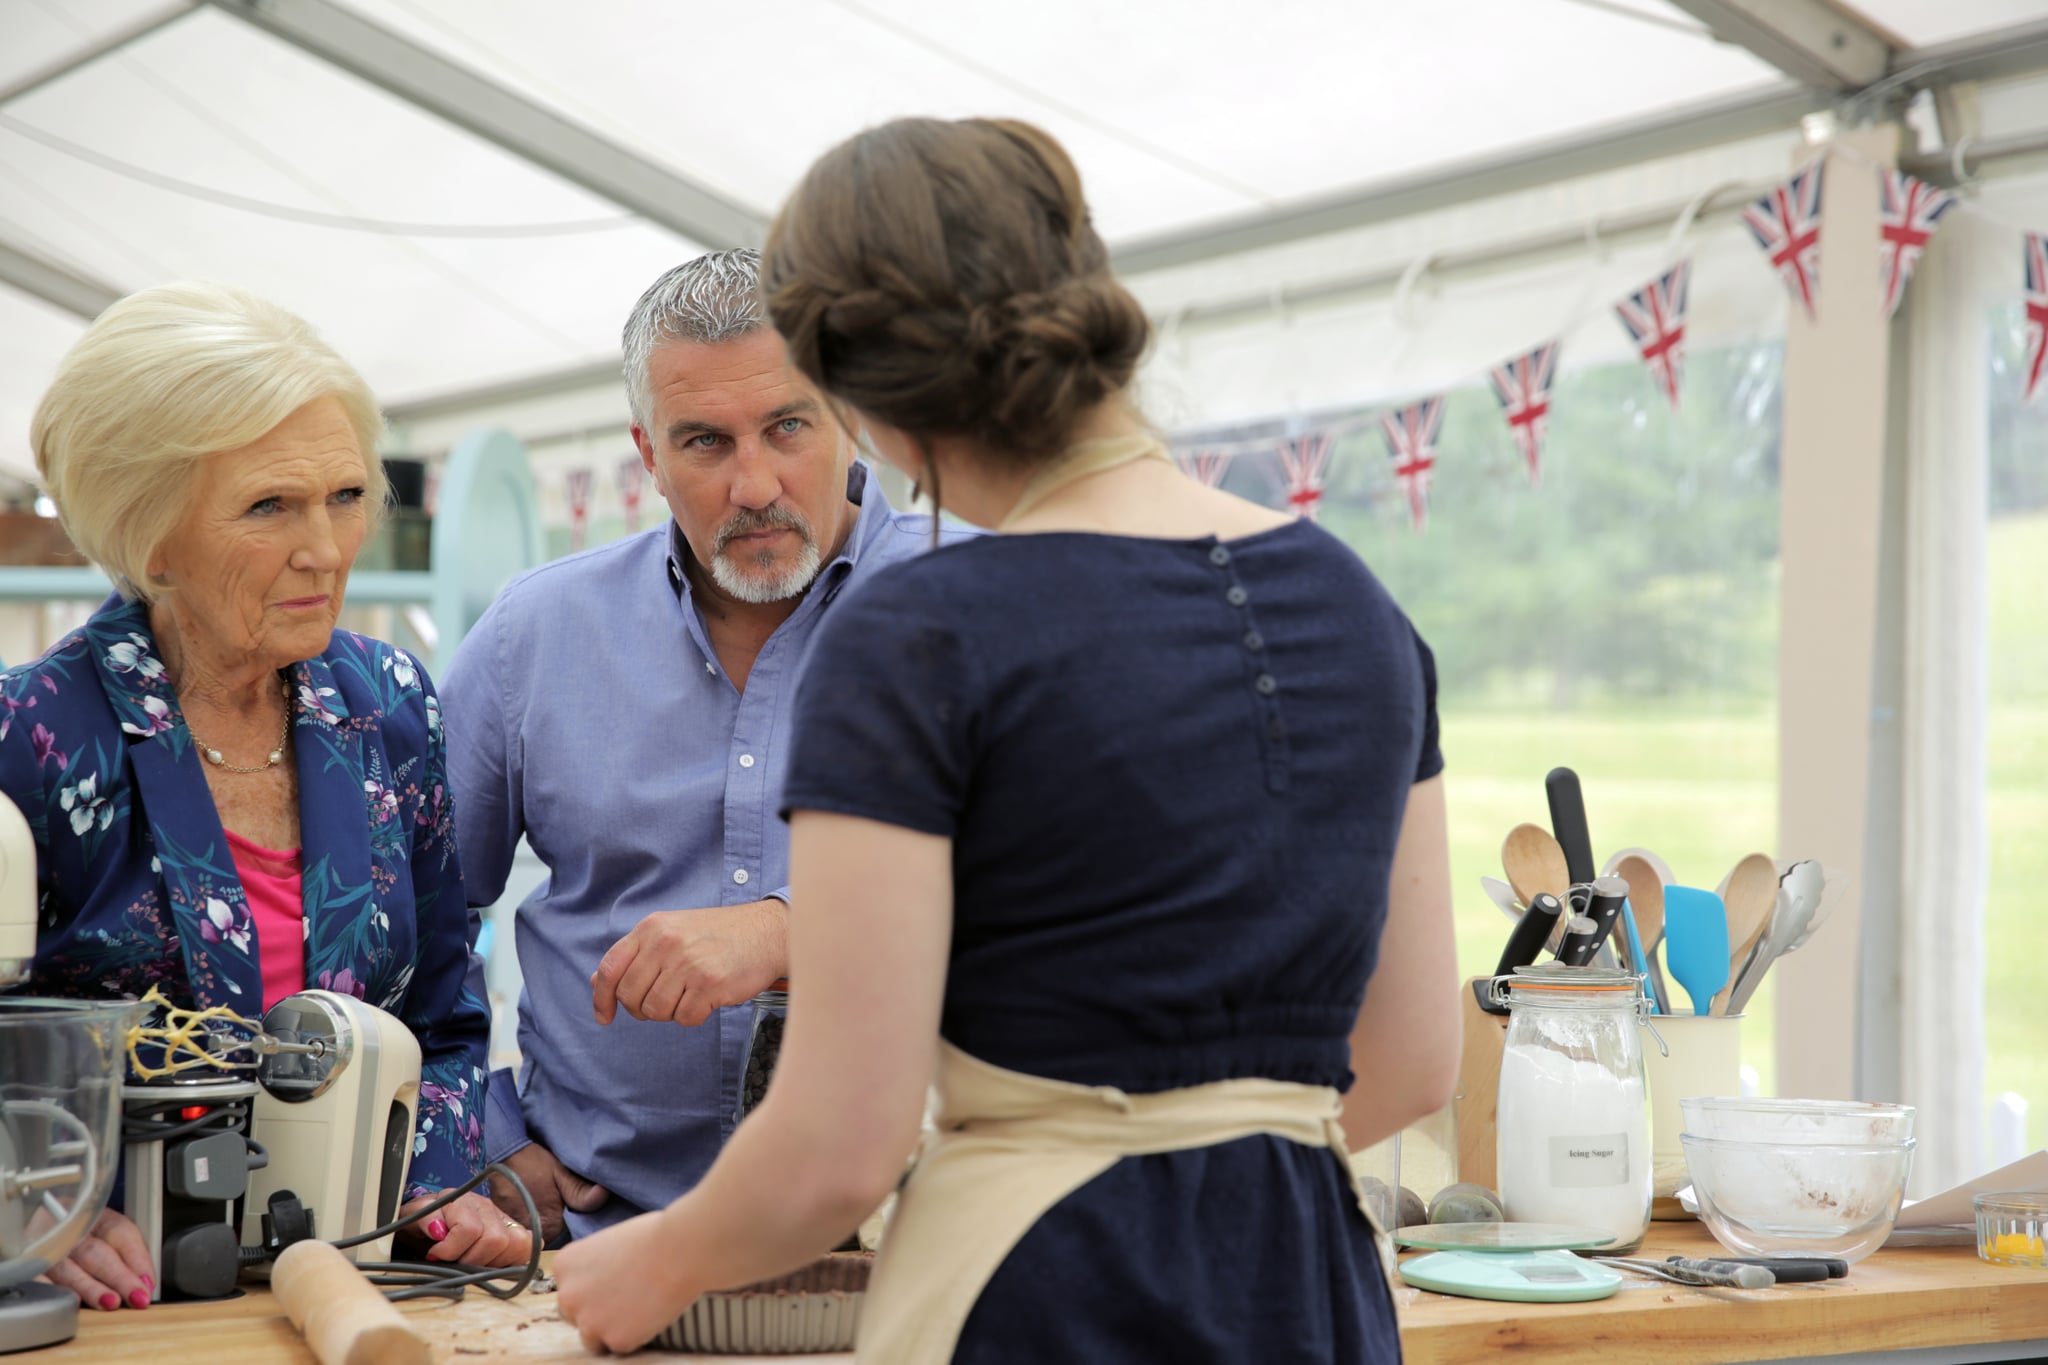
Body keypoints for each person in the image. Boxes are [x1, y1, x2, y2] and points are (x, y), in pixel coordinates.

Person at [551, 117, 1462, 1362]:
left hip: (1039, 1293)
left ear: (861, 385)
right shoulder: (1357, 605)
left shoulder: (925, 630)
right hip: (1308, 1288)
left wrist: (654, 1262)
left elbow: (838, 1145)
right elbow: (1411, 1062)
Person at [0, 283, 527, 1313]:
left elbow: (445, 1015)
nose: (326, 551)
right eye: (269, 507)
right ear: (150, 536)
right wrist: (31, 1206)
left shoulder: (389, 705)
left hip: (358, 1289)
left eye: (343, 496)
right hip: (131, 1308)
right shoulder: (33, 736)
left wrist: (430, 1187)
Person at [440, 249, 955, 1245]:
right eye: (705, 443)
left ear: (850, 413)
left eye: (787, 428)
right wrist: (477, 1132)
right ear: (647, 451)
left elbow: (1079, 899)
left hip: (918, 1251)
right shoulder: (534, 635)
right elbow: (408, 927)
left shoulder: (985, 606)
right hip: (591, 1247)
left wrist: (789, 933)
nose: (753, 483)